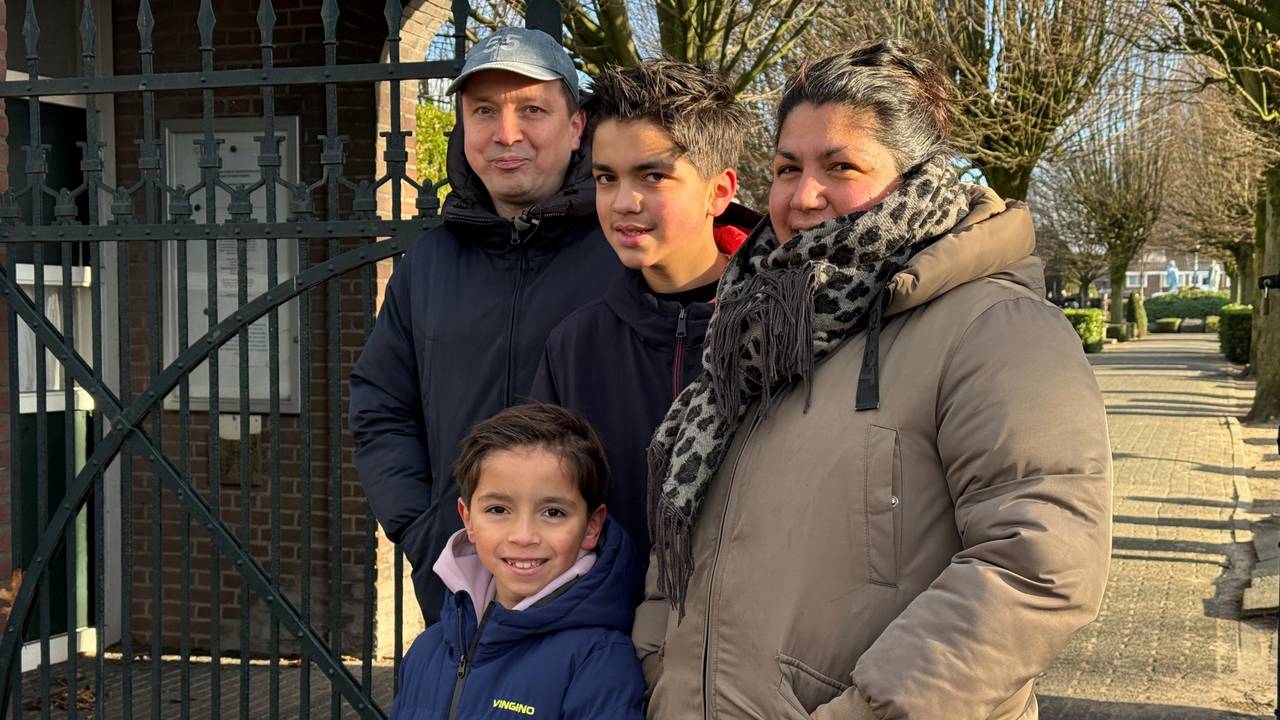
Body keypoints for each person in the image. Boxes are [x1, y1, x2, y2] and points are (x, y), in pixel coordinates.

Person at [634, 41, 1112, 720]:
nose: (804, 196)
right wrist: (660, 665)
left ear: (914, 177)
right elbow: (684, 530)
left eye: (841, 166)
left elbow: (1036, 564)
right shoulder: (757, 325)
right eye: (787, 168)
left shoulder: (995, 327)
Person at [349, 28, 623, 624]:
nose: (507, 133)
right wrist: (424, 531)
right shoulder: (428, 265)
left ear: (577, 126)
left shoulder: (625, 253)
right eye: (484, 112)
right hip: (459, 594)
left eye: (533, 110)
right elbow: (381, 406)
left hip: (600, 597)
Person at [529, 60, 758, 569]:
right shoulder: (575, 345)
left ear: (719, 192)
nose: (623, 202)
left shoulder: (784, 329)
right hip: (612, 613)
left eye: (653, 176)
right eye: (606, 178)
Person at [389, 403, 644, 719]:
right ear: (467, 519)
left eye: (553, 512)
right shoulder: (426, 651)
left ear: (591, 526)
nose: (523, 536)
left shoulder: (598, 661)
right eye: (498, 510)